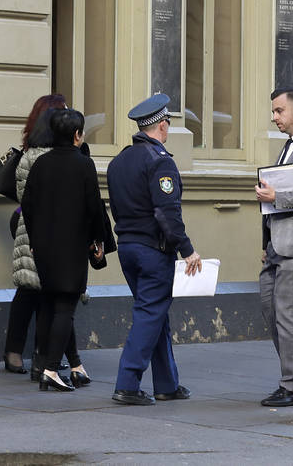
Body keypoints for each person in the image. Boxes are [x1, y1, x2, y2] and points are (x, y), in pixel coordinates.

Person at [107, 93, 201, 406]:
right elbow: (167, 213)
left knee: (155, 313)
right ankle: (127, 384)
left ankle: (167, 383)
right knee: (149, 314)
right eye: (168, 125)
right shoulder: (160, 161)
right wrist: (188, 250)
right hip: (153, 251)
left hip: (128, 248)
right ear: (162, 125)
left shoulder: (119, 161)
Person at [21, 109, 110, 392]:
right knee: (65, 307)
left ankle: (75, 366)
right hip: (72, 245)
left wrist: (34, 240)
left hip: (44, 246)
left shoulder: (40, 164)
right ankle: (50, 369)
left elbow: (29, 207)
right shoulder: (83, 165)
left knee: (54, 303)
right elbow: (94, 207)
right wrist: (99, 241)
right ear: (77, 135)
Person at [254, 86, 293, 407]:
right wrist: (266, 241)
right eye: (274, 111)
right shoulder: (289, 146)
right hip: (276, 245)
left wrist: (276, 197)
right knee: (272, 310)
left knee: (288, 315)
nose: (274, 116)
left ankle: (291, 387)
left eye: (279, 110)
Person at [3, 94, 67, 375]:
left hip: (46, 228)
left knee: (42, 293)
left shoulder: (56, 153)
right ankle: (18, 352)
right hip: (34, 228)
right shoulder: (33, 156)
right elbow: (25, 196)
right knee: (29, 290)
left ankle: (40, 353)